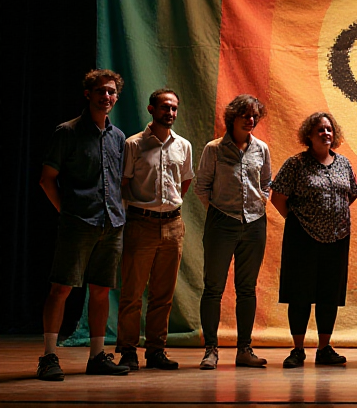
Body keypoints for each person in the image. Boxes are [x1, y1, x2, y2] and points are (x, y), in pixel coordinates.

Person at [37, 69, 131, 380]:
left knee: (101, 291)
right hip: (78, 223)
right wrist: (69, 211)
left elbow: (117, 181)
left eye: (111, 92)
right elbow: (47, 179)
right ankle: (49, 356)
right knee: (61, 288)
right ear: (88, 94)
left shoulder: (118, 137)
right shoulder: (67, 132)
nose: (107, 96)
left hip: (111, 224)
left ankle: (96, 357)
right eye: (101, 91)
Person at [270, 112, 357, 368]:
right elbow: (278, 197)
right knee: (300, 294)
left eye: (329, 129)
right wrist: (301, 220)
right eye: (319, 129)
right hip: (302, 238)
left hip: (338, 238)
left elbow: (352, 193)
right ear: (308, 135)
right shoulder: (296, 164)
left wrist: (332, 216)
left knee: (329, 295)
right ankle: (297, 350)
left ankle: (324, 348)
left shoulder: (343, 163)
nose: (326, 133)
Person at [116, 89, 193, 371]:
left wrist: (167, 208)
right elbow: (123, 184)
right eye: (164, 107)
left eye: (174, 108)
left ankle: (156, 351)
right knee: (133, 293)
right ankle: (127, 350)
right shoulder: (133, 144)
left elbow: (183, 184)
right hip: (140, 224)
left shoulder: (183, 146)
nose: (169, 113)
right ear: (151, 109)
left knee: (163, 294)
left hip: (173, 225)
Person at [194, 94, 272, 370]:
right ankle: (211, 350)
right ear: (232, 118)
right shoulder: (213, 149)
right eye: (245, 115)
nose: (250, 120)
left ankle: (244, 350)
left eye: (254, 116)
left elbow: (266, 184)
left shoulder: (261, 149)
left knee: (247, 288)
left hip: (255, 225)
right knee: (213, 288)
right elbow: (201, 186)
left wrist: (259, 203)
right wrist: (218, 212)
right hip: (221, 224)